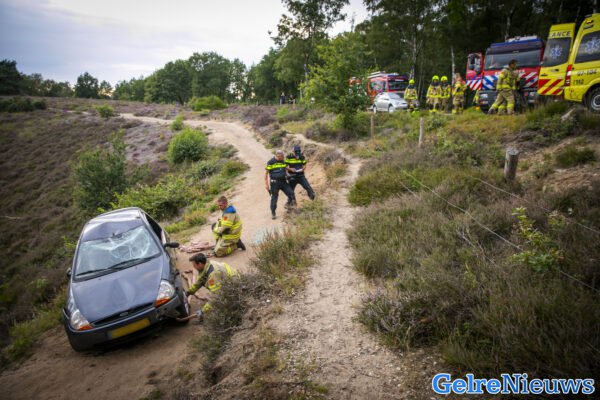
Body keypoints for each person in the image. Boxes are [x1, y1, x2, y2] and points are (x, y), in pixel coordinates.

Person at [185, 253, 239, 318]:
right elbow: (199, 282)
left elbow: (216, 296)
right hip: (228, 278)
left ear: (200, 264)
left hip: (234, 285)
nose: (194, 267)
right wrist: (188, 292)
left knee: (222, 310)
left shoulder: (213, 275)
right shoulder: (207, 265)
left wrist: (203, 311)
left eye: (194, 265)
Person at [265, 149, 296, 219]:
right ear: (278, 156)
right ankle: (273, 213)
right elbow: (266, 174)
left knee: (291, 193)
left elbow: (285, 170)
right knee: (274, 198)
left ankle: (289, 206)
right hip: (274, 183)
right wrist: (266, 185)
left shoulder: (283, 161)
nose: (283, 158)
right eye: (282, 157)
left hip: (283, 182)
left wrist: (289, 174)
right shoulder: (270, 162)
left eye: (283, 156)